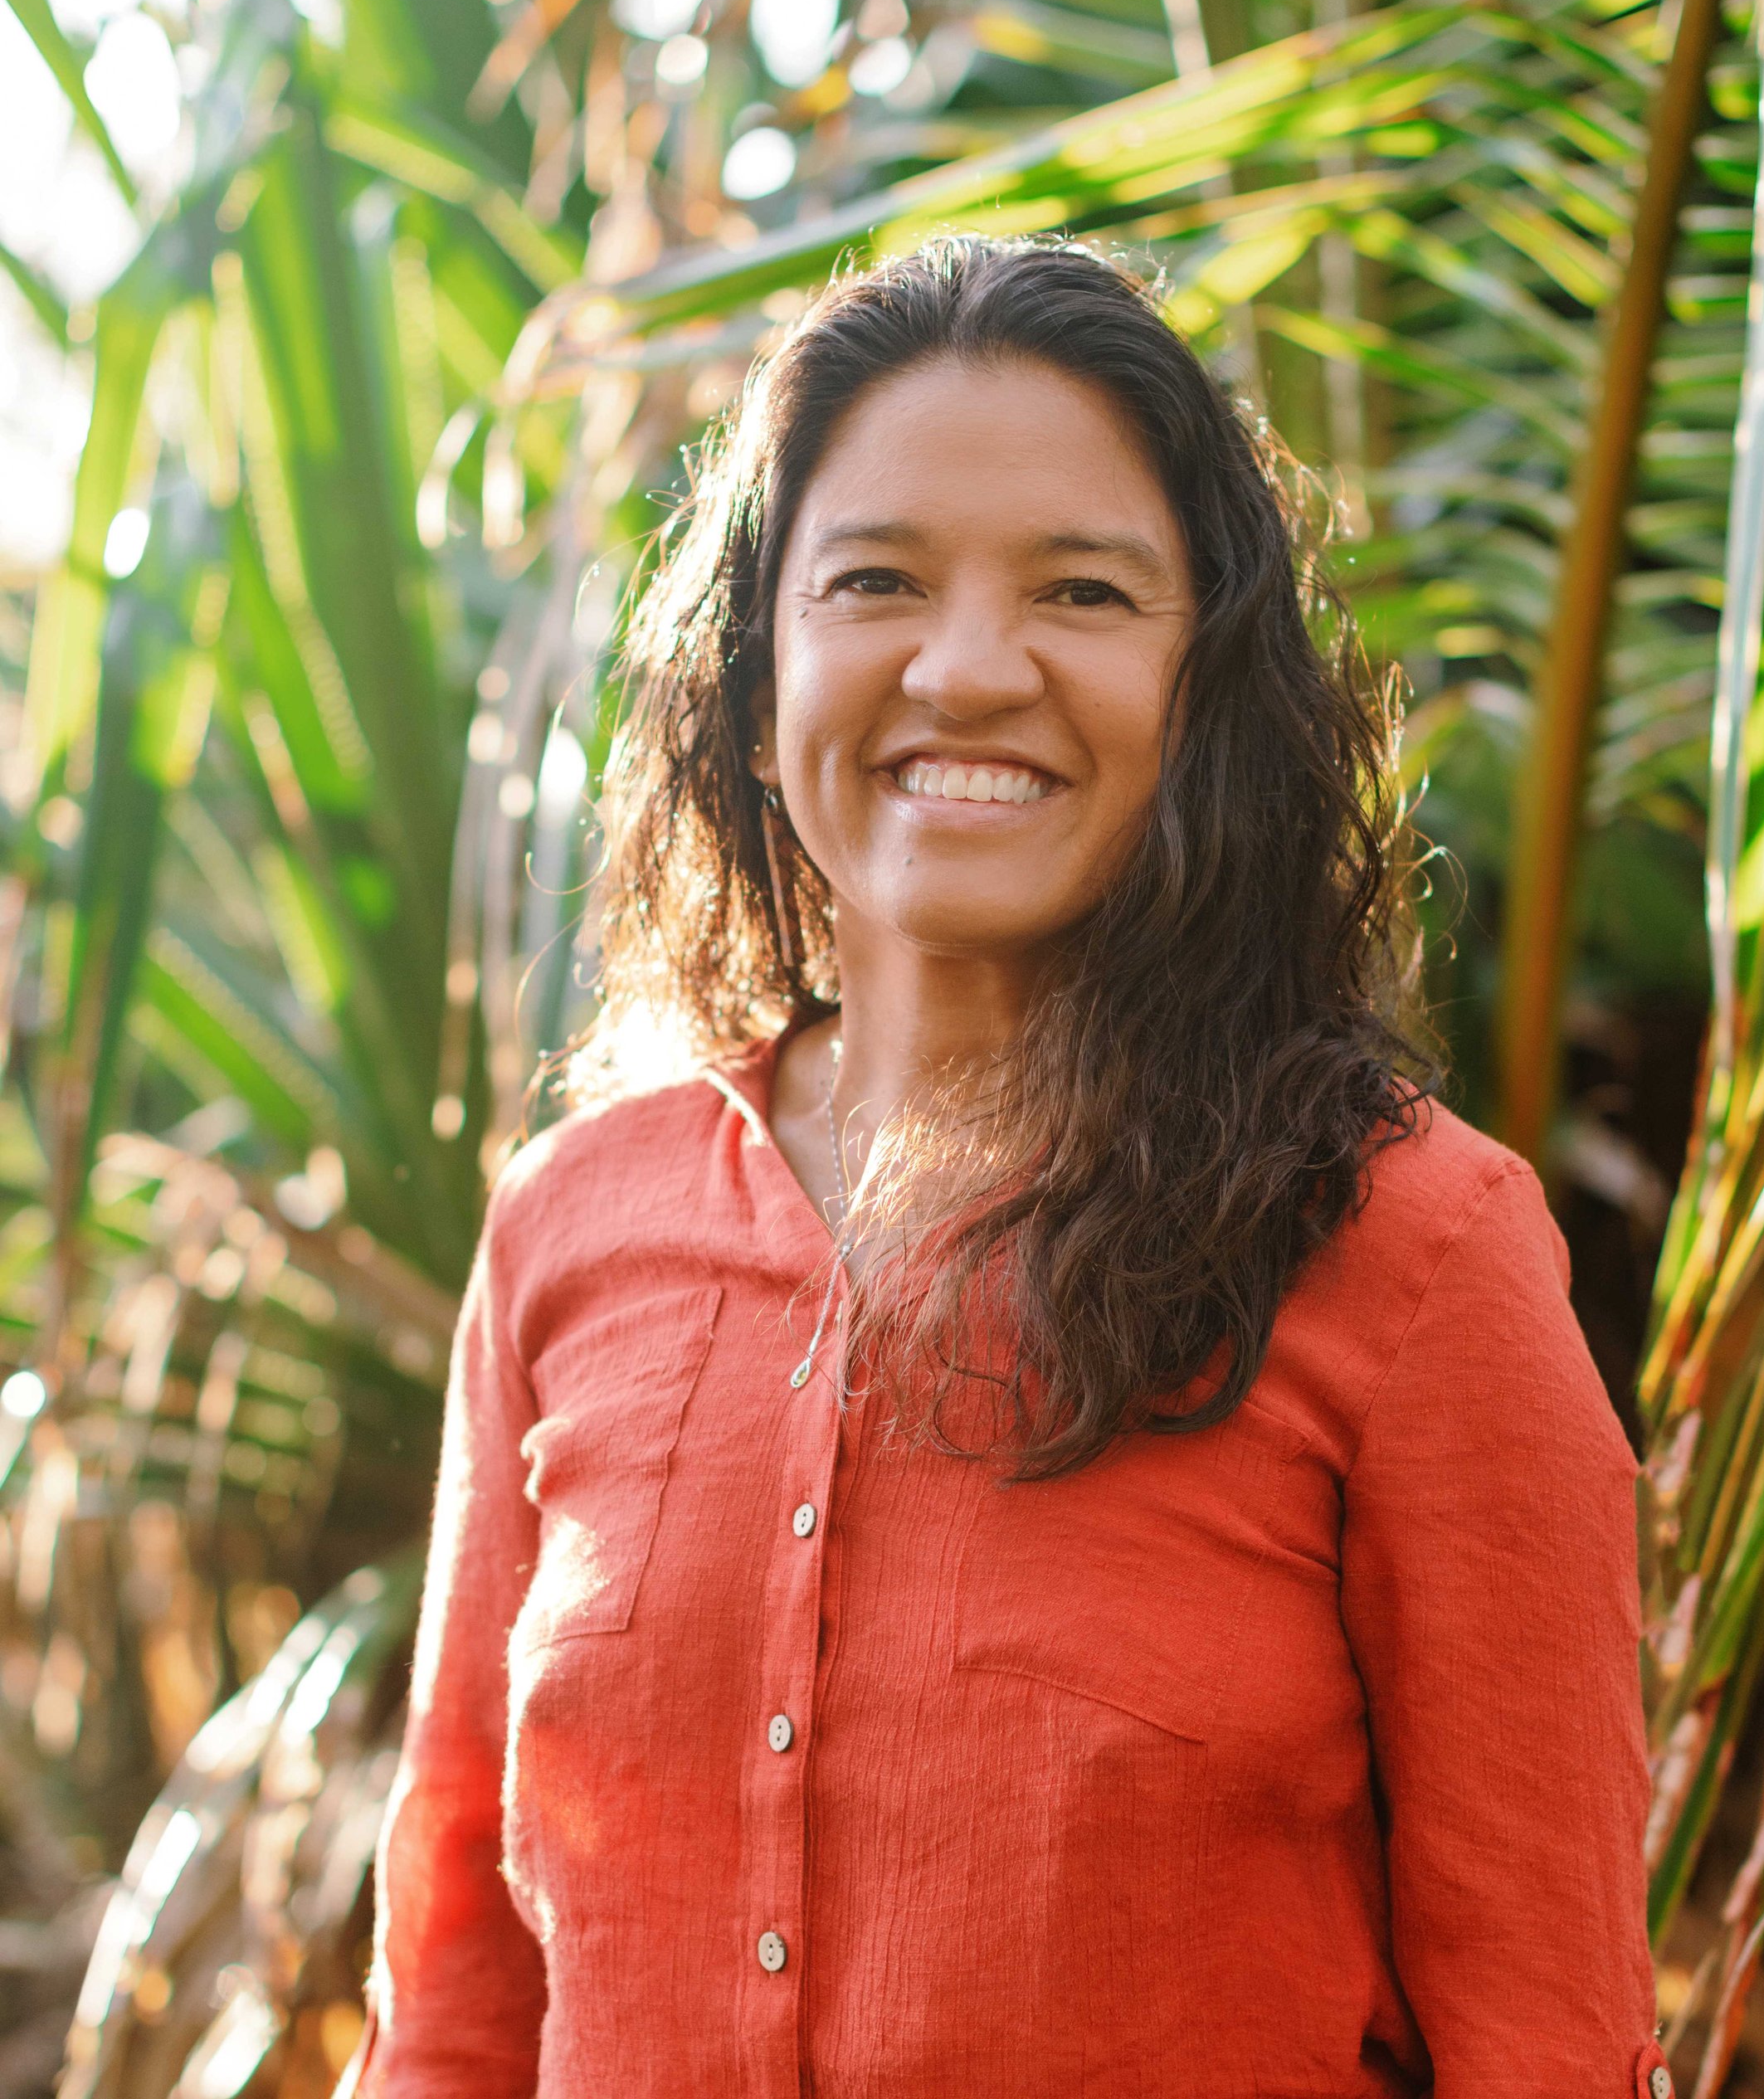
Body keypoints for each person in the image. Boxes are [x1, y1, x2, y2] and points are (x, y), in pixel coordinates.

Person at [353, 236, 1671, 2098]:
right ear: (752, 673)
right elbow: (454, 2021)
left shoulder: (1410, 1251)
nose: (967, 669)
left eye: (1082, 589)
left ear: (1204, 686)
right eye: (874, 579)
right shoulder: (568, 1231)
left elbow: (1545, 2040)